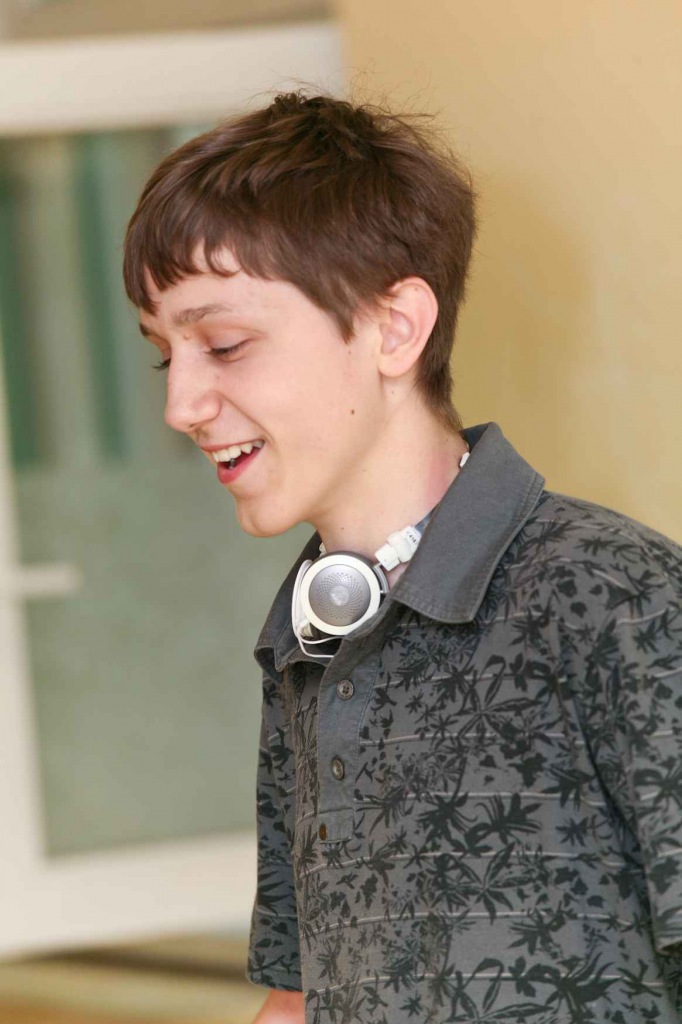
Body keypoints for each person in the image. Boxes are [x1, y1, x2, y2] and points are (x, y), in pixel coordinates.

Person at [123, 91, 682, 1023]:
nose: (181, 405)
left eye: (223, 344)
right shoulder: (305, 640)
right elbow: (306, 996)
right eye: (163, 356)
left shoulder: (616, 596)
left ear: (394, 328)